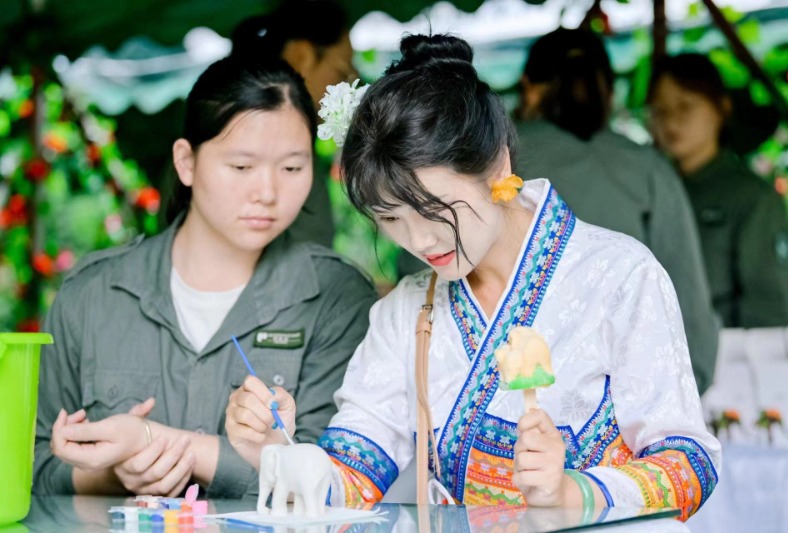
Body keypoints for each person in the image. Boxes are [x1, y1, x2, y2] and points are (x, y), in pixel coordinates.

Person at [225, 34, 720, 520]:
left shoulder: (619, 275)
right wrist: (283, 454)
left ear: (497, 165)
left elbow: (690, 464)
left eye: (435, 210)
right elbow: (355, 470)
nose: (419, 241)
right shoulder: (406, 310)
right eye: (391, 218)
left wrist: (575, 492)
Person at [33, 55, 375, 498]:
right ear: (186, 162)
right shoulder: (92, 294)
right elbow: (33, 463)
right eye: (242, 167)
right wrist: (115, 473)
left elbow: (340, 479)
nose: (268, 192)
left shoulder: (337, 296)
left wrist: (153, 442)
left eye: (292, 168)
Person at [513, 28, 719, 395]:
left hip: (509, 394)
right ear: (609, 92)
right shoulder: (648, 169)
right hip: (625, 398)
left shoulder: (491, 165)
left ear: (529, 89)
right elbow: (688, 307)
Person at [648, 53, 788, 328]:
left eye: (685, 106)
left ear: (722, 108)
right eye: (660, 110)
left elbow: (768, 314)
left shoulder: (753, 198)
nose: (671, 121)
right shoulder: (648, 193)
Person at [231, 0, 357, 248]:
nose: (348, 88)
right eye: (342, 73)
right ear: (302, 55)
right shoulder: (264, 144)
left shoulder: (280, 138)